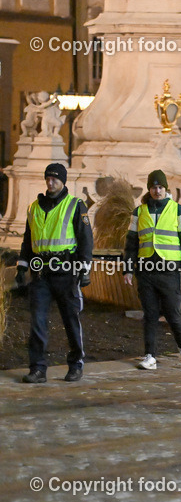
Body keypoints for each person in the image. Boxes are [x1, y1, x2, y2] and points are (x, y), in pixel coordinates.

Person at [18, 163, 94, 383]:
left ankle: (76, 364)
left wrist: (84, 269)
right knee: (38, 321)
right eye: (48, 179)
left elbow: (85, 240)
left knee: (71, 320)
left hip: (67, 272)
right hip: (41, 274)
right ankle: (38, 369)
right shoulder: (34, 207)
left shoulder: (75, 205)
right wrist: (23, 266)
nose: (50, 183)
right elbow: (27, 240)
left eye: (55, 179)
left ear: (63, 181)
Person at [123, 170, 181, 371]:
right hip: (146, 270)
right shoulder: (139, 212)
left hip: (168, 271)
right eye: (154, 187)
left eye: (160, 187)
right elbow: (131, 244)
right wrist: (128, 269)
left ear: (166, 189)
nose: (157, 191)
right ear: (149, 189)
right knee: (150, 315)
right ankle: (150, 356)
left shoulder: (178, 210)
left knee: (173, 313)